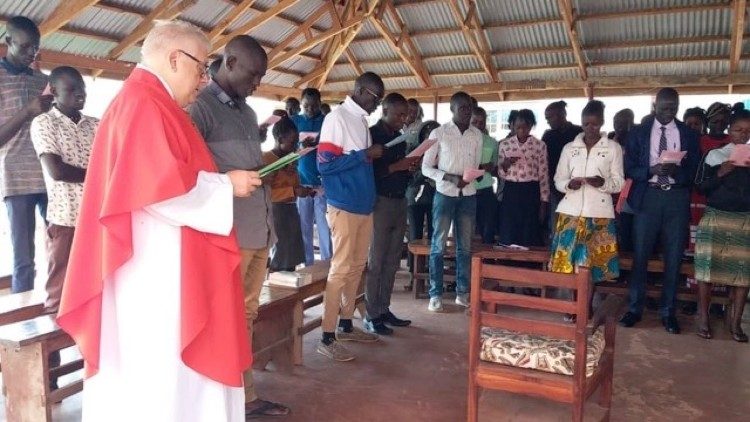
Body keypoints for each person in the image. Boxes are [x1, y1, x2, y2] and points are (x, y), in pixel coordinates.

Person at [57, 21, 262, 422]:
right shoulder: (143, 103)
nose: (204, 81)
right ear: (174, 59)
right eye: (202, 68)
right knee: (162, 377)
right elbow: (157, 189)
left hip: (160, 260)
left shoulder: (151, 102)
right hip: (154, 273)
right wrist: (225, 186)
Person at [188, 35, 289, 418]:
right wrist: (231, 177)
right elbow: (192, 173)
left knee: (246, 314)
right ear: (229, 62)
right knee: (223, 317)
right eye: (253, 74)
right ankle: (223, 398)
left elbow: (243, 168)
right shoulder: (200, 109)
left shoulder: (247, 113)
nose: (257, 84)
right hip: (227, 232)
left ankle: (244, 397)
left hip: (258, 227)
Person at [316, 71, 385, 361]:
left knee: (357, 267)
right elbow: (325, 165)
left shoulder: (361, 121)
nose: (377, 105)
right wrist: (364, 155)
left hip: (363, 206)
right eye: (374, 97)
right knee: (340, 269)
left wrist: (365, 157)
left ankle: (346, 324)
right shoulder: (337, 119)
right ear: (359, 90)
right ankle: (327, 336)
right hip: (343, 205)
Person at [620, 87, 701, 334]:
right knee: (641, 255)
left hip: (676, 198)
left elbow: (695, 170)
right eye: (665, 108)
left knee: (674, 258)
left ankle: (668, 312)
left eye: (674, 108)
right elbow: (628, 167)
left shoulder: (687, 133)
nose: (669, 113)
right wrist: (650, 171)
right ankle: (635, 308)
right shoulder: (639, 132)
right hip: (648, 197)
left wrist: (679, 173)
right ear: (655, 106)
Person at [30, 66, 97, 314]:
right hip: (66, 218)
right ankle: (51, 350)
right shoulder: (44, 123)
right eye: (72, 89)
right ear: (55, 91)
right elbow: (56, 170)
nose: (80, 94)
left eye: (82, 88)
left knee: (95, 286)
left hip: (95, 216)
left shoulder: (96, 125)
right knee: (60, 289)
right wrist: (97, 176)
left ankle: (87, 351)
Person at [0, 16, 52, 293]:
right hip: (16, 180)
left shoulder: (42, 81)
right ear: (7, 42)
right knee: (23, 260)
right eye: (25, 47)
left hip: (51, 175)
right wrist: (27, 112)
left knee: (62, 246)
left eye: (36, 48)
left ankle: (60, 308)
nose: (32, 53)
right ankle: (24, 325)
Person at [549, 100, 623, 283]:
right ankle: (575, 307)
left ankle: (585, 307)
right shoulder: (569, 148)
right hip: (570, 212)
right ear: (581, 123)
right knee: (568, 264)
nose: (590, 128)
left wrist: (602, 183)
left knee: (591, 268)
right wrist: (568, 185)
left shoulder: (613, 148)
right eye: (586, 124)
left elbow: (619, 183)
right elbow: (558, 179)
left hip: (599, 214)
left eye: (595, 123)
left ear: (602, 122)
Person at [422, 92, 483, 312]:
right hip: (444, 195)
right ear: (452, 109)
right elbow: (426, 167)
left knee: (465, 248)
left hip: (468, 196)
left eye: (469, 107)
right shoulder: (438, 133)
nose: (467, 111)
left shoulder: (477, 135)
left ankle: (462, 292)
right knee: (438, 246)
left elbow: (475, 164)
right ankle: (435, 294)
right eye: (462, 107)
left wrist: (469, 178)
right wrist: (449, 177)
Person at [363, 93, 419, 335]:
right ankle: (370, 315)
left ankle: (384, 309)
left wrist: (410, 168)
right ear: (384, 110)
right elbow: (369, 173)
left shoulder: (399, 137)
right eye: (398, 114)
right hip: (379, 203)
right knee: (376, 261)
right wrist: (397, 166)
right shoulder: (372, 136)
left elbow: (400, 172)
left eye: (405, 115)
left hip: (399, 201)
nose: (403, 119)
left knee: (392, 260)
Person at [693, 109, 750, 342]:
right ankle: (704, 319)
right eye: (738, 130)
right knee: (707, 271)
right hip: (716, 218)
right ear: (729, 130)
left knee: (743, 274)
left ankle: (735, 323)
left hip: (744, 221)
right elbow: (699, 186)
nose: (743, 135)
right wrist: (721, 173)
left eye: (748, 131)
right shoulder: (714, 155)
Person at [290, 88, 332, 265]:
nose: (310, 109)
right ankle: (307, 264)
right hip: (302, 181)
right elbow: (287, 148)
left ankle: (327, 262)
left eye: (314, 106)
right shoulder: (295, 121)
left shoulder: (327, 121)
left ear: (320, 104)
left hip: (322, 183)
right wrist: (300, 145)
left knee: (324, 226)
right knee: (304, 227)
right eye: (306, 106)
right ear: (301, 104)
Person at [263, 117, 311, 272]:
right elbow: (266, 193)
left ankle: (291, 291)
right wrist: (293, 191)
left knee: (292, 257)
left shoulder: (290, 159)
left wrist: (302, 190)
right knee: (280, 256)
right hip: (276, 212)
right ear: (279, 139)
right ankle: (276, 292)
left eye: (296, 142)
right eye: (292, 142)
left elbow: (293, 185)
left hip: (291, 210)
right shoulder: (267, 159)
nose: (295, 146)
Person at [497, 109, 550, 247]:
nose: (521, 130)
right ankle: (508, 264)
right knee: (510, 228)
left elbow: (543, 174)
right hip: (511, 191)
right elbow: (501, 173)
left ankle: (528, 266)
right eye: (518, 127)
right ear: (513, 125)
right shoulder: (505, 144)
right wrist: (505, 165)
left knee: (528, 230)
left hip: (531, 191)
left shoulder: (539, 146)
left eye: (525, 127)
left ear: (531, 126)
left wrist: (544, 202)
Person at [542, 100, 583, 240]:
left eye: (550, 117)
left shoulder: (579, 133)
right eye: (546, 118)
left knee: (576, 228)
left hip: (577, 188)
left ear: (562, 114)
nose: (548, 121)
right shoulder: (548, 136)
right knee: (556, 229)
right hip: (555, 188)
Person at [406, 120, 439, 273]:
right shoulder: (414, 152)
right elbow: (409, 177)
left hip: (435, 198)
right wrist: (424, 173)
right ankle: (414, 274)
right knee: (415, 236)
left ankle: (432, 272)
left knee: (434, 236)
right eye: (428, 134)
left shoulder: (442, 153)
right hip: (415, 199)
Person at [471, 107, 498, 244]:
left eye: (481, 122)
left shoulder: (492, 142)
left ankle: (486, 262)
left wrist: (490, 167)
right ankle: (469, 262)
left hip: (486, 189)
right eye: (475, 122)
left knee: (488, 229)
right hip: (468, 189)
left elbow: (495, 165)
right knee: (468, 229)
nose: (478, 125)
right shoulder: (463, 141)